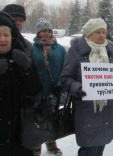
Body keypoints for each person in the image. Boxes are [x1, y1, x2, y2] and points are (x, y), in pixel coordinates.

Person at [60, 18, 113, 156]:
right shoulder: (76, 51)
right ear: (88, 34)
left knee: (100, 147)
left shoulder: (109, 50)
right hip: (87, 110)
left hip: (108, 108)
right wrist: (78, 88)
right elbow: (65, 78)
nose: (102, 35)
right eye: (97, 32)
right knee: (89, 149)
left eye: (103, 32)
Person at [0, 11, 42, 155]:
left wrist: (27, 68)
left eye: (6, 35)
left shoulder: (19, 56)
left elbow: (35, 88)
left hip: (20, 130)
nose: (2, 39)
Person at [32, 18, 66, 156]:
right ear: (38, 33)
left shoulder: (60, 49)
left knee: (52, 118)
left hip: (54, 91)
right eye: (43, 31)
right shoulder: (32, 49)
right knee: (37, 121)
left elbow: (66, 68)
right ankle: (35, 148)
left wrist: (59, 85)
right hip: (38, 92)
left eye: (48, 31)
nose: (46, 34)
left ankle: (51, 144)